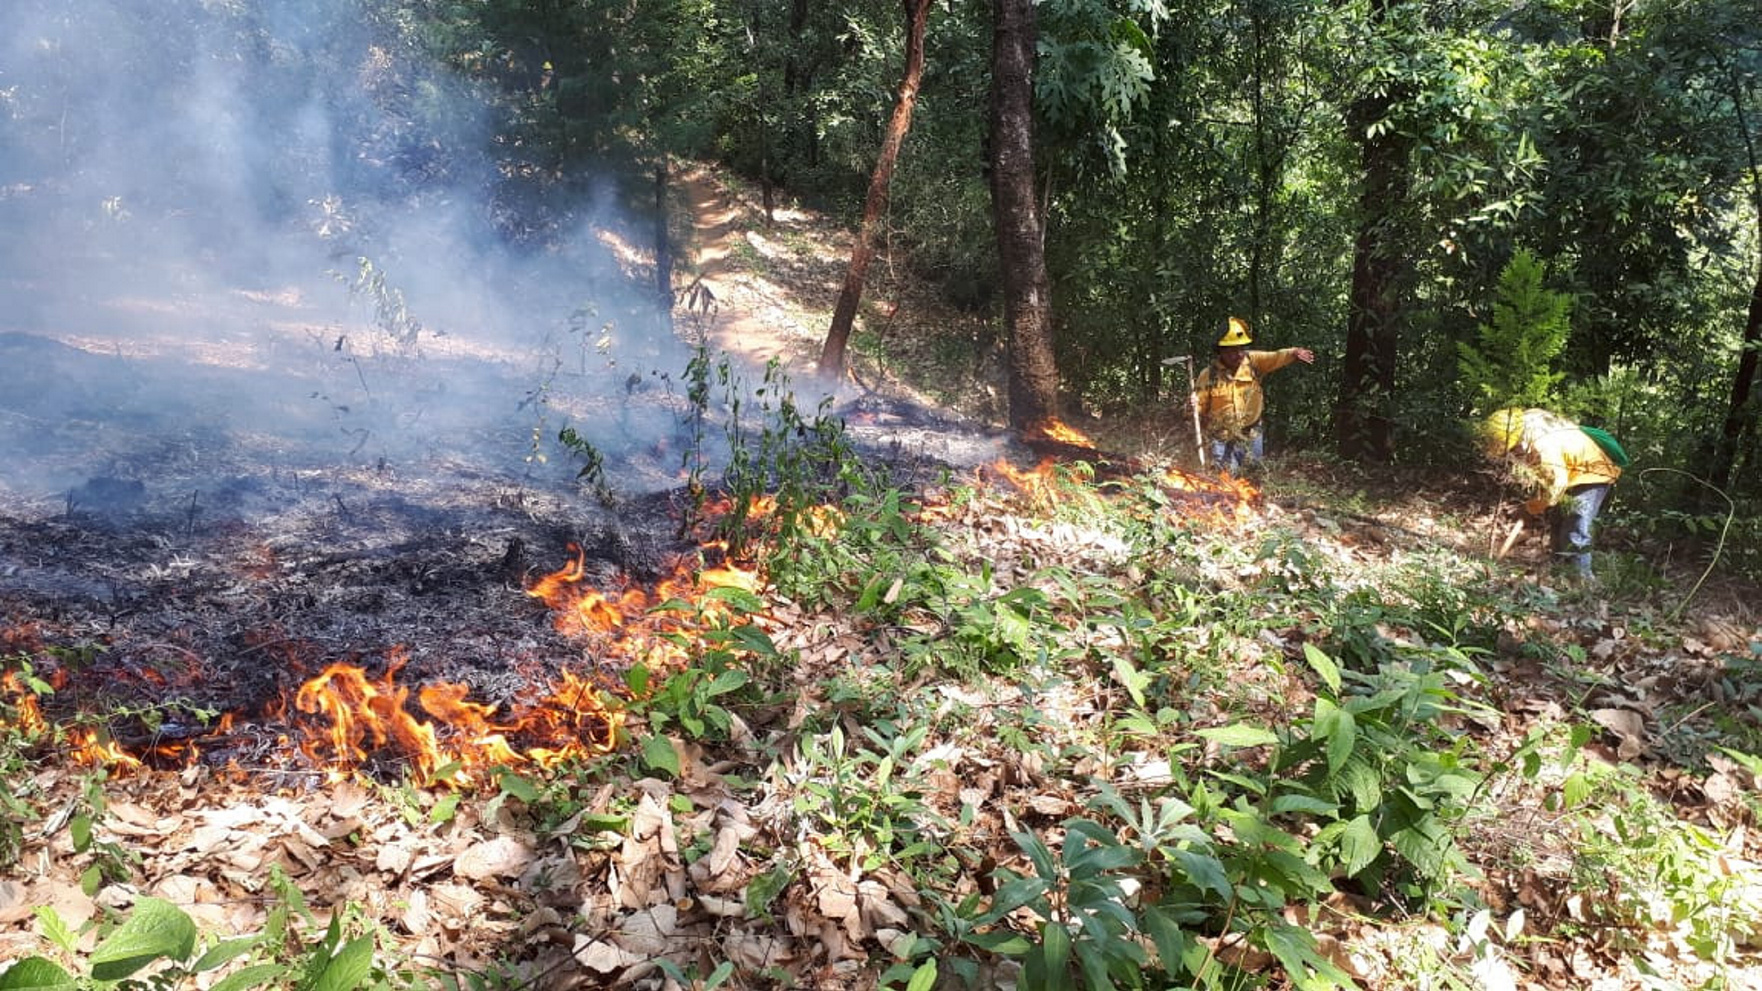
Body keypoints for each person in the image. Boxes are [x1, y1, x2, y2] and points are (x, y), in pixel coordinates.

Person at [1481, 407, 1623, 580]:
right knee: (1557, 521)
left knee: (1576, 524)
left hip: (1594, 471)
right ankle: (1560, 572)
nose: (1511, 454)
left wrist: (1530, 509)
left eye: (1512, 449)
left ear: (1519, 438)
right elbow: (1549, 477)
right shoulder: (1527, 424)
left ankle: (1582, 580)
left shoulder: (1543, 445)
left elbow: (1556, 485)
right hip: (1570, 470)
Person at [1188, 316, 1316, 473]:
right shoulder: (1209, 375)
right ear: (1220, 351)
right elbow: (1197, 408)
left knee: (1252, 477)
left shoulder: (1253, 362)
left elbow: (1275, 357)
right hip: (1221, 437)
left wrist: (1294, 352)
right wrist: (1192, 406)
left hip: (1252, 435)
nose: (1238, 354)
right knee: (1226, 480)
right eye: (1232, 350)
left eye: (1241, 348)